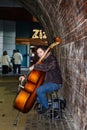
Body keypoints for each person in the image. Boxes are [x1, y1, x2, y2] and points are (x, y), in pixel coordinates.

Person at [19, 46, 63, 114]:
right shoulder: (43, 61)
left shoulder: (52, 58)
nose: (39, 54)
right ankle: (45, 104)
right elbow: (35, 72)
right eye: (38, 53)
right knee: (34, 93)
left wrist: (35, 66)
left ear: (46, 52)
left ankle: (47, 107)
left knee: (39, 90)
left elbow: (48, 67)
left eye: (40, 52)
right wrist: (24, 77)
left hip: (55, 82)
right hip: (47, 82)